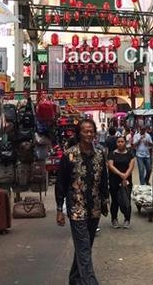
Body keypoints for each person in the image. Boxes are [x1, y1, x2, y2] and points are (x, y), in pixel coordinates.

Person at [56, 118, 109, 285]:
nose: (89, 134)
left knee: (85, 247)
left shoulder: (100, 154)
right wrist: (59, 208)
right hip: (76, 208)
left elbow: (103, 179)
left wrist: (105, 200)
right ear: (79, 133)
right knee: (84, 247)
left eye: (91, 131)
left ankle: (74, 279)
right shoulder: (69, 155)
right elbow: (61, 182)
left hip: (94, 207)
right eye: (85, 131)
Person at [107, 136, 136, 229]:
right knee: (115, 201)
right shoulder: (112, 154)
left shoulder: (130, 154)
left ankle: (127, 219)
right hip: (114, 181)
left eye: (122, 141)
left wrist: (125, 176)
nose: (120, 143)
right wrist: (120, 174)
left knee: (126, 200)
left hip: (126, 181)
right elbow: (110, 166)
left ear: (125, 142)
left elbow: (131, 166)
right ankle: (114, 219)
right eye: (118, 142)